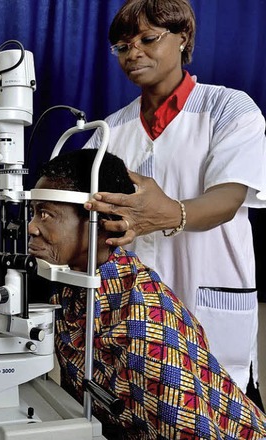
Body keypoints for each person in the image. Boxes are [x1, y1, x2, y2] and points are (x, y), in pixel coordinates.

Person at [83, 0, 266, 405]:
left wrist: (169, 213)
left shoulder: (230, 109)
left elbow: (229, 198)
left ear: (183, 38)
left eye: (148, 39)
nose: (134, 54)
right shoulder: (109, 131)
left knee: (224, 414)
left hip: (208, 304)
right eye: (123, 47)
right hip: (138, 319)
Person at [28, 148, 266, 439]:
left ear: (101, 220)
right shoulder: (72, 289)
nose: (31, 227)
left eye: (46, 214)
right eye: (33, 211)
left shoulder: (145, 327)